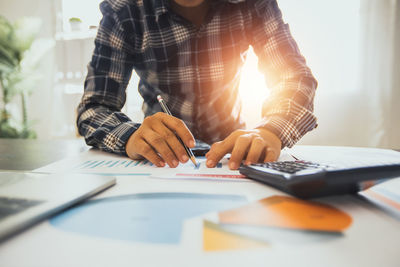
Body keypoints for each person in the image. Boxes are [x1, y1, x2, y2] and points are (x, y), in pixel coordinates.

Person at [77, 0, 318, 170]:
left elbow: (294, 78)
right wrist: (131, 137)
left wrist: (270, 131)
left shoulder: (253, 3)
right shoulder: (124, 10)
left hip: (234, 155)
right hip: (160, 160)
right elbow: (94, 107)